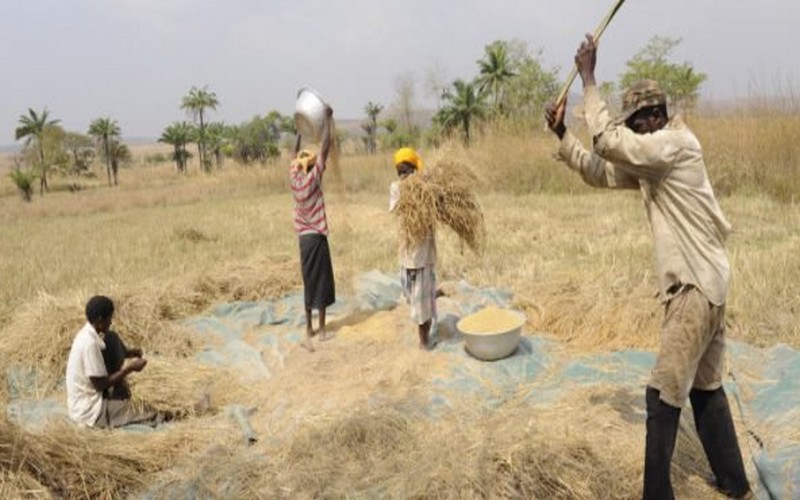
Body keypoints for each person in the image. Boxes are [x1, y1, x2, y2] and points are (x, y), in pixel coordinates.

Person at [545, 35, 751, 500]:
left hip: (694, 289)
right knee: (706, 389)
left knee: (660, 398)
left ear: (655, 117)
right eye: (637, 123)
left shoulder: (673, 145)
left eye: (643, 120)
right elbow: (600, 168)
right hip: (711, 284)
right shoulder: (652, 158)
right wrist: (562, 136)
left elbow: (607, 141)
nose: (642, 128)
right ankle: (736, 485)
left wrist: (589, 78)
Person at [66, 295, 159, 428]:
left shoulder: (88, 333)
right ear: (100, 320)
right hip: (90, 410)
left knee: (111, 338)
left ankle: (117, 394)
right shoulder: (89, 344)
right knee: (146, 411)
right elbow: (100, 385)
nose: (111, 322)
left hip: (92, 396)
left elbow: (110, 345)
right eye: (109, 318)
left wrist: (129, 353)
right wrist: (129, 368)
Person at [291, 104, 336, 352]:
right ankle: (322, 331)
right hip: (317, 237)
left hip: (303, 239)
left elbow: (292, 155)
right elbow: (325, 149)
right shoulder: (312, 180)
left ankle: (308, 327)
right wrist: (328, 121)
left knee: (309, 281)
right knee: (322, 282)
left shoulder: (295, 179)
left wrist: (300, 130)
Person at [389, 147, 438, 350]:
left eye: (404, 169)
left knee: (419, 300)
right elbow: (397, 208)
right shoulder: (408, 188)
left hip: (416, 256)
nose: (403, 174)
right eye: (401, 171)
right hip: (414, 255)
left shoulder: (412, 188)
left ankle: (424, 339)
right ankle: (424, 338)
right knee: (418, 300)